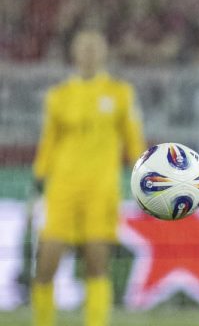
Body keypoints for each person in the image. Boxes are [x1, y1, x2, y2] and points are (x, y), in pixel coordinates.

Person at [31, 30, 146, 326]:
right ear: (74, 53)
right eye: (84, 47)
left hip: (101, 189)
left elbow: (133, 141)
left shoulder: (120, 93)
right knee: (46, 264)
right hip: (62, 189)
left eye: (95, 47)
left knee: (97, 264)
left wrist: (145, 176)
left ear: (104, 53)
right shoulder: (59, 96)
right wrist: (39, 177)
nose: (89, 53)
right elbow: (49, 140)